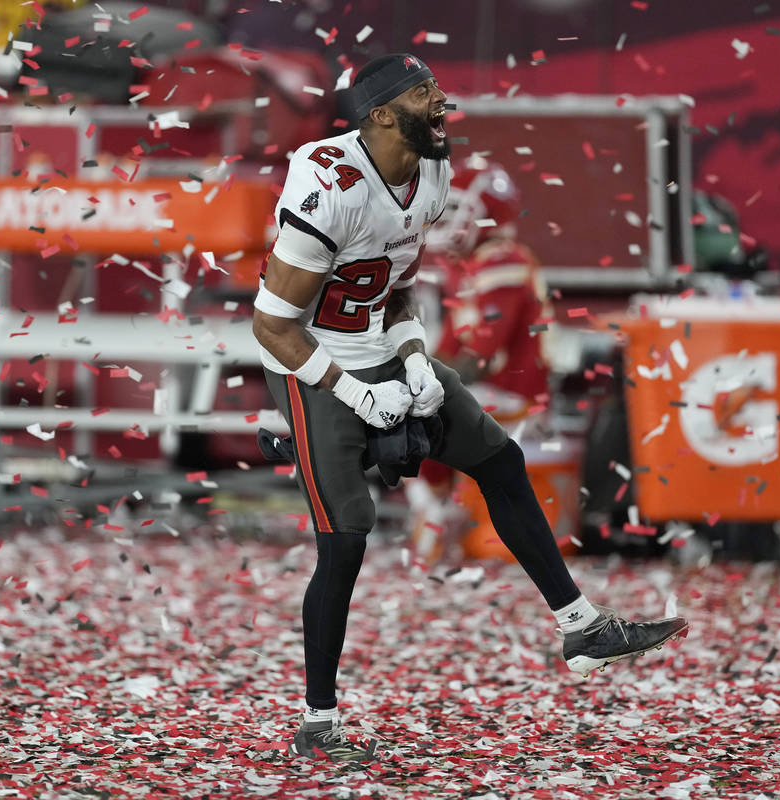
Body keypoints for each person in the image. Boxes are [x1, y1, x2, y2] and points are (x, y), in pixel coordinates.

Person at [251, 53, 688, 765]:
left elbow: (392, 290)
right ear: (381, 113)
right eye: (425, 93)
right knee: (347, 536)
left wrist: (417, 356)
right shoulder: (329, 186)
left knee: (499, 459)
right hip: (310, 364)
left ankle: (581, 627)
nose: (442, 102)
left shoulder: (430, 174)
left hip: (379, 344)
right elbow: (273, 327)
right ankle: (317, 722)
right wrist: (358, 392)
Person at [407, 156, 557, 563]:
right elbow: (450, 348)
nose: (444, 219)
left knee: (425, 417)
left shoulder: (504, 259)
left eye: (456, 208)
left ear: (488, 213)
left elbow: (483, 352)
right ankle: (436, 514)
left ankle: (437, 521)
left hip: (514, 395)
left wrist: (421, 388)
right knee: (409, 410)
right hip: (492, 389)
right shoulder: (471, 267)